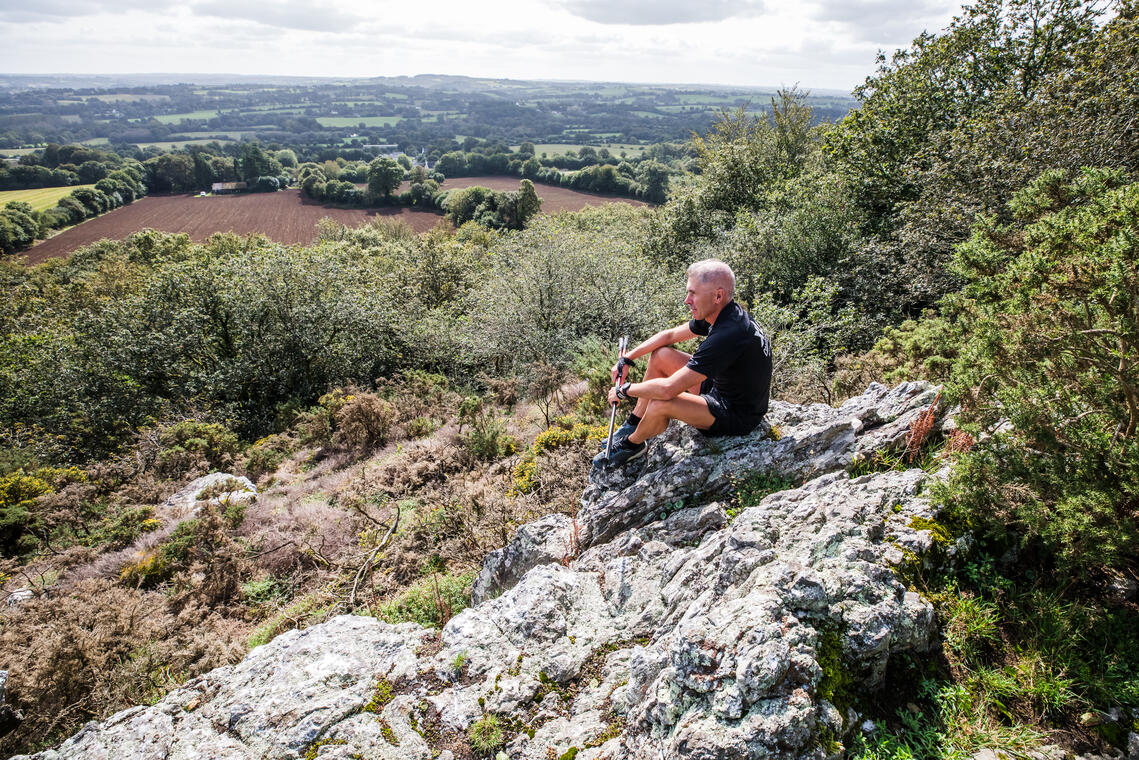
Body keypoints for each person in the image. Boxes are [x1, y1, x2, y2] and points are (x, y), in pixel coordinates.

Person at [594, 259, 772, 469]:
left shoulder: (728, 334)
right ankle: (633, 423)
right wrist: (627, 358)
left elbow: (668, 389)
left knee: (662, 403)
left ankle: (632, 444)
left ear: (718, 295)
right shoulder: (724, 312)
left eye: (693, 293)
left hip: (736, 415)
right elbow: (669, 335)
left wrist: (624, 390)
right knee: (661, 355)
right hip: (719, 388)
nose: (687, 300)